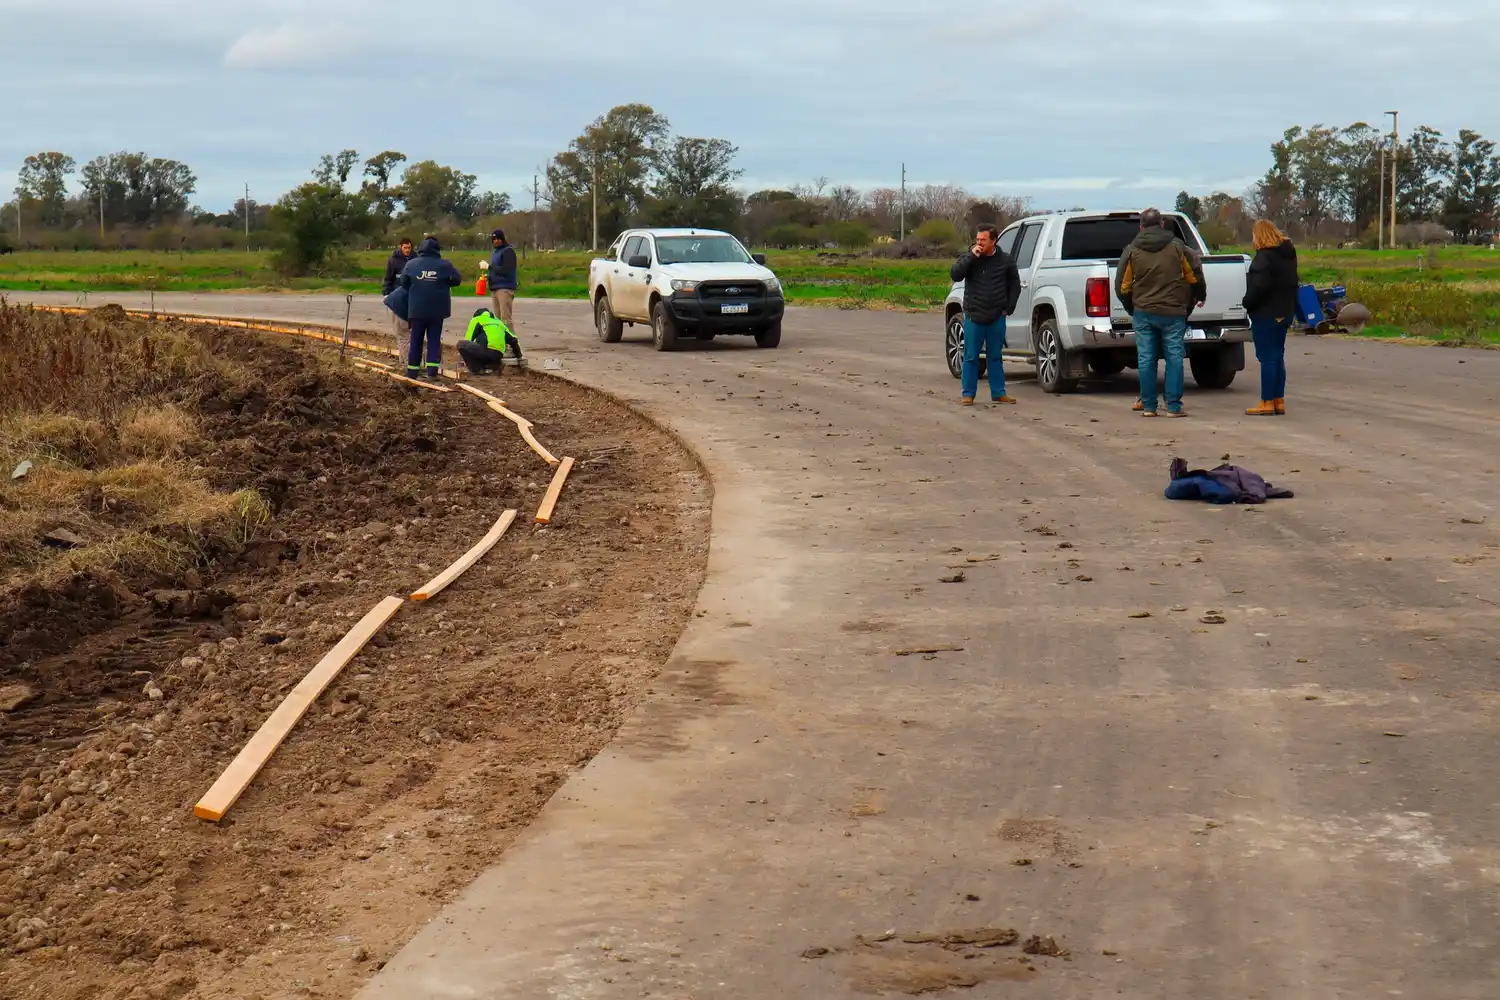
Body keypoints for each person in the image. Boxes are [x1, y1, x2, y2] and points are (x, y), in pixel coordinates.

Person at [1116, 208, 1206, 417]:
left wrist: (1132, 307)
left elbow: (1122, 286)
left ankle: (1148, 406)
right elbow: (1193, 277)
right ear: (1162, 224)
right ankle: (1173, 406)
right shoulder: (1177, 247)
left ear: (1141, 226)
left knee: (1146, 358)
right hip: (1173, 312)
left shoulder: (1131, 250)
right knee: (1174, 357)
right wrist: (1198, 296)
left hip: (1144, 312)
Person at [950, 224, 1022, 406]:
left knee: (995, 356)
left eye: (983, 240)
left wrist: (1008, 308)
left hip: (997, 315)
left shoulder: (1005, 260)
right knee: (971, 356)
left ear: (993, 241)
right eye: (977, 240)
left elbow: (1015, 284)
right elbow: (956, 274)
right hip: (974, 314)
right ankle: (968, 394)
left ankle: (998, 392)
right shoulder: (970, 258)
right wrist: (970, 256)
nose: (980, 243)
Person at [1241, 220, 1299, 416]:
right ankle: (1278, 400)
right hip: (1284, 311)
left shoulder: (1263, 258)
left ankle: (1266, 401)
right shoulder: (1289, 255)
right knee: (1277, 357)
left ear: (1260, 235)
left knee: (1267, 358)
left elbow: (1259, 286)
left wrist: (1246, 302)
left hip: (1266, 312)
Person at [399, 236, 463, 380]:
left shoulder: (412, 264)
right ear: (437, 250)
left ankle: (412, 372)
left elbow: (403, 282)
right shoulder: (445, 265)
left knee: (416, 339)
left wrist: (418, 284)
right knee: (434, 340)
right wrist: (442, 283)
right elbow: (457, 280)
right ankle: (432, 373)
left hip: (417, 309)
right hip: (437, 310)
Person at [458, 307, 524, 374]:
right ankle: (492, 366)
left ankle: (477, 369)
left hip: (485, 352)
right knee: (482, 349)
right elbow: (513, 340)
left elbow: (469, 339)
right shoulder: (499, 323)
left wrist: (464, 358)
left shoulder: (477, 320)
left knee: (461, 344)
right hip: (498, 355)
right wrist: (519, 356)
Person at [381, 237, 414, 357]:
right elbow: (388, 278)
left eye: (409, 248)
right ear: (401, 247)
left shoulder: (415, 258)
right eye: (405, 248)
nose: (407, 250)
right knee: (401, 331)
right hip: (397, 295)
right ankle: (405, 357)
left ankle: (409, 356)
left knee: (409, 331)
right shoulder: (393, 260)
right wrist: (386, 293)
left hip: (411, 297)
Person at [488, 228, 518, 330]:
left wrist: (489, 267)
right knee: (497, 319)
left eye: (498, 238)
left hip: (505, 288)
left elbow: (506, 270)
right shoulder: (495, 252)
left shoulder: (508, 251)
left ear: (502, 239)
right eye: (493, 239)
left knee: (505, 318)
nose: (496, 241)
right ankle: (501, 342)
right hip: (495, 287)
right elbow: (495, 270)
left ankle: (511, 343)